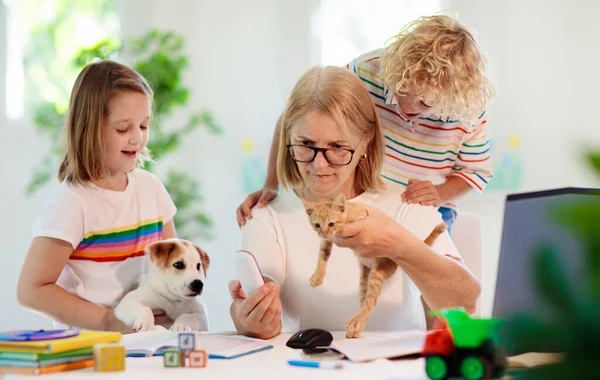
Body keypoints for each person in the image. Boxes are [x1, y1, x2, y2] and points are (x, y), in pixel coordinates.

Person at [229, 66, 480, 339]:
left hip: (396, 375)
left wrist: (398, 244)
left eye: (337, 147)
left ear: (365, 143)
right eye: (305, 144)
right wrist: (248, 319)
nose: (319, 164)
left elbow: (464, 302)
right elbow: (250, 313)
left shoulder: (406, 203)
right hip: (302, 373)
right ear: (287, 137)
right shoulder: (266, 214)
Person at [236, 15, 495, 234]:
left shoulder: (466, 110)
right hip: (364, 199)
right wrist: (271, 184)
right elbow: (293, 119)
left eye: (425, 104)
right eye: (401, 89)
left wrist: (438, 193)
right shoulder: (368, 70)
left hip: (423, 209)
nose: (407, 108)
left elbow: (474, 173)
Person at [17, 60, 177, 333]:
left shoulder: (152, 189)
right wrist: (107, 320)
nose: (137, 138)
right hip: (93, 353)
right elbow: (31, 290)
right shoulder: (73, 203)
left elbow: (173, 264)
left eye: (143, 126)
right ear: (90, 129)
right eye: (123, 128)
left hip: (152, 346)